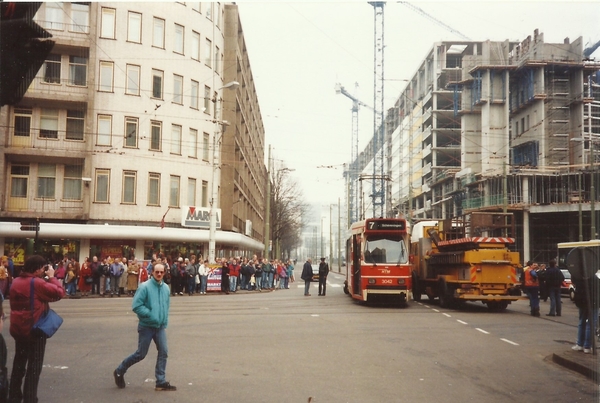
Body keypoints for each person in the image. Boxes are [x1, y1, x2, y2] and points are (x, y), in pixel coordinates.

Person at [8, 255, 65, 403]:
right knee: (34, 367)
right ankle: (30, 398)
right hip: (35, 330)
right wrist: (52, 277)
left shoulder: (16, 282)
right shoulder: (37, 283)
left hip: (18, 328)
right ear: (38, 268)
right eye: (42, 268)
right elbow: (58, 293)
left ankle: (14, 396)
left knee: (19, 363)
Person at [113, 263, 176, 391]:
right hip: (147, 326)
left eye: (161, 272)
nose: (159, 274)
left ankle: (160, 381)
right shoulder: (145, 287)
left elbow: (166, 306)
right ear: (152, 272)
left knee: (164, 352)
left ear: (164, 273)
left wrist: (164, 321)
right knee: (140, 354)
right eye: (156, 272)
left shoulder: (165, 288)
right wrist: (150, 315)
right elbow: (136, 306)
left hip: (159, 327)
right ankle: (120, 370)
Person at [572, 272, 600, 354]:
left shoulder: (580, 279)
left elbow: (577, 290)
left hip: (583, 303)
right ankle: (587, 346)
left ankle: (580, 344)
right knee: (591, 324)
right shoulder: (596, 279)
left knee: (582, 322)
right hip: (594, 303)